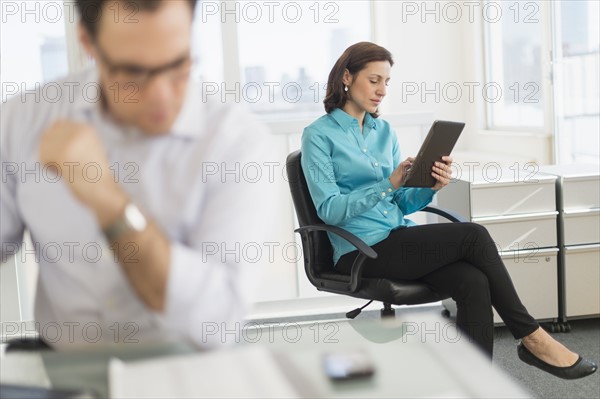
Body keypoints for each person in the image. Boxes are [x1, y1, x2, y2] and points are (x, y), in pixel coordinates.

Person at [300, 41, 597, 379]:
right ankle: (532, 337)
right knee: (473, 235)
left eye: (387, 82)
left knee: (472, 281)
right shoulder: (318, 136)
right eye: (374, 80)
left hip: (396, 239)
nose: (382, 90)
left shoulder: (383, 132)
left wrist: (429, 186)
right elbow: (329, 211)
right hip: (359, 251)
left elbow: (398, 203)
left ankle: (475, 381)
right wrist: (389, 183)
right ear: (347, 77)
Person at [1, 0, 275, 348]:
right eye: (133, 73)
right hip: (66, 370)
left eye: (178, 65)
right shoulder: (23, 120)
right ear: (88, 43)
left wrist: (109, 201)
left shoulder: (237, 143)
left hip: (192, 369)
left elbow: (217, 318)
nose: (160, 96)